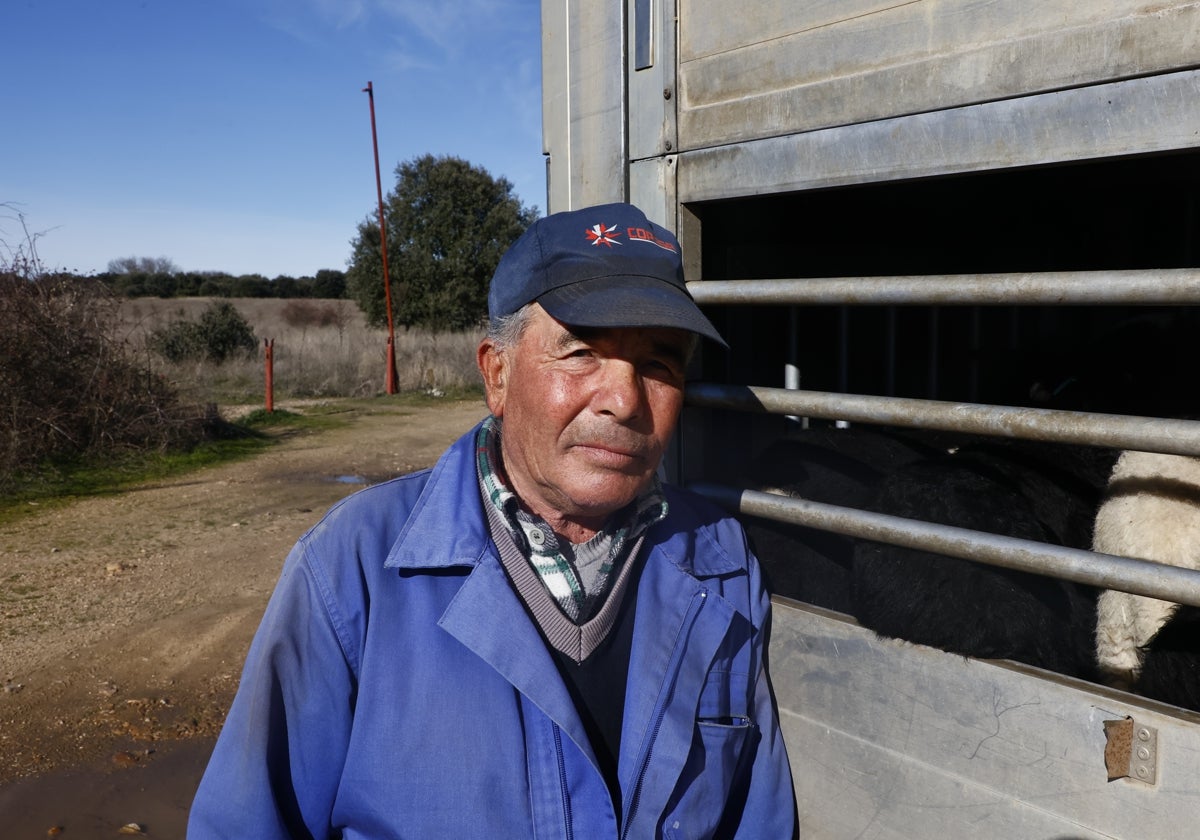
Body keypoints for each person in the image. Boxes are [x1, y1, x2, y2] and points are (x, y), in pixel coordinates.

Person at [187, 202, 796, 838]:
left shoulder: (722, 562)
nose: (624, 399)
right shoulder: (352, 568)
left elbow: (759, 817)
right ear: (496, 374)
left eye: (660, 363)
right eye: (583, 350)